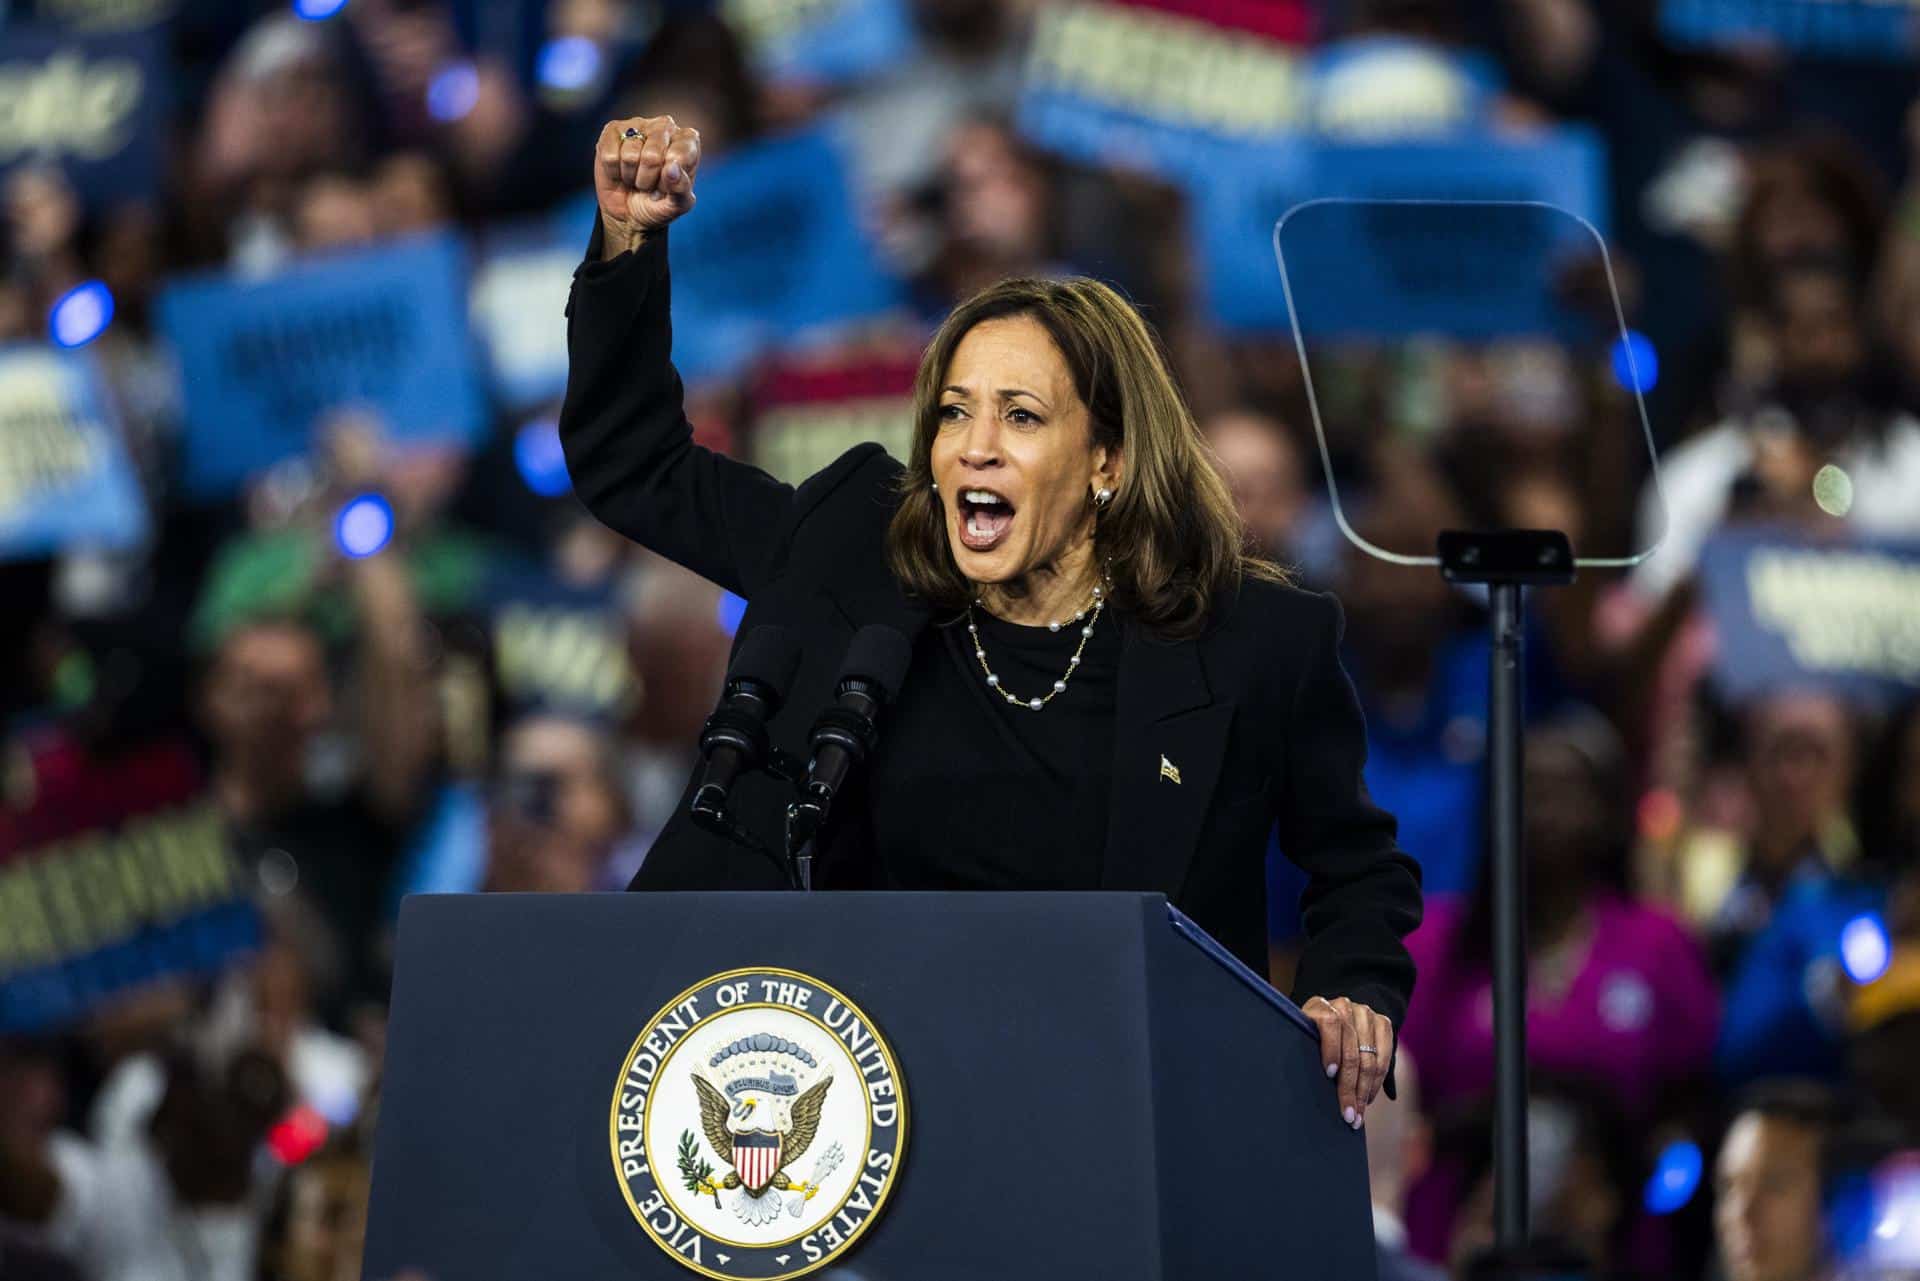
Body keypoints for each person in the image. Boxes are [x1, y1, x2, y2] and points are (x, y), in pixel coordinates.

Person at [560, 114, 1424, 1126]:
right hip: (870, 1110)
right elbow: (638, 466)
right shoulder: (856, 554)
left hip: (1134, 1106)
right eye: (955, 412)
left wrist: (1351, 988)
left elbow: (1358, 867)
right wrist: (629, 239)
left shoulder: (1251, 639)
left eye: (1020, 416)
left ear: (1106, 460)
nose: (973, 447)